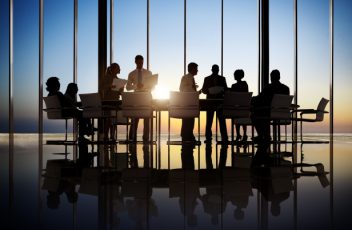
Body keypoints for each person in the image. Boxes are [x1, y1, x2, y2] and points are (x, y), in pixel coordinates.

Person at [46, 77, 90, 141]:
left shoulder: (49, 95)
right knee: (83, 114)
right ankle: (83, 134)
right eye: (58, 83)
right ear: (55, 85)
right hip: (64, 112)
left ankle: (87, 129)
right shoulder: (58, 94)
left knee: (81, 114)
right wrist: (74, 106)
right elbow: (66, 103)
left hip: (57, 112)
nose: (59, 85)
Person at [251, 69, 290, 143]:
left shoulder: (268, 87)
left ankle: (262, 135)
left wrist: (251, 99)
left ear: (271, 77)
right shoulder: (286, 88)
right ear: (279, 77)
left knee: (254, 115)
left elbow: (260, 98)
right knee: (262, 113)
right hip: (283, 113)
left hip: (269, 112)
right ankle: (265, 136)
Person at [126, 55, 153, 142]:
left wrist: (146, 87)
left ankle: (146, 138)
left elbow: (152, 86)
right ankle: (132, 137)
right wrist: (136, 86)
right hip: (136, 97)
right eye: (139, 62)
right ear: (135, 62)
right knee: (134, 118)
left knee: (147, 118)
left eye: (142, 62)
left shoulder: (149, 73)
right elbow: (128, 87)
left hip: (146, 96)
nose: (141, 64)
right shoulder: (131, 74)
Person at [201, 64, 228, 143]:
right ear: (212, 70)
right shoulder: (207, 79)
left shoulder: (222, 79)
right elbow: (204, 90)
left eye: (217, 69)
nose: (216, 70)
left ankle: (224, 138)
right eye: (215, 69)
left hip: (219, 102)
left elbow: (225, 89)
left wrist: (222, 91)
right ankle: (209, 138)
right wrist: (210, 91)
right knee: (209, 121)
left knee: (221, 120)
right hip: (210, 102)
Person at [102, 63, 124, 140]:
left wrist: (121, 90)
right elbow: (102, 87)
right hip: (108, 100)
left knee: (114, 118)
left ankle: (112, 135)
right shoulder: (107, 77)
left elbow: (120, 93)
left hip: (115, 100)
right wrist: (110, 86)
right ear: (113, 69)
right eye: (118, 68)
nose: (119, 69)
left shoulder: (118, 80)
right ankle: (105, 135)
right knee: (108, 118)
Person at [179, 62, 200, 142]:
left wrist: (195, 91)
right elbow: (183, 90)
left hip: (188, 102)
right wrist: (195, 91)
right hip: (187, 103)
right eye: (196, 69)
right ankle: (187, 135)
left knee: (189, 119)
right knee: (189, 118)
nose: (197, 70)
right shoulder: (186, 77)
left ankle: (187, 134)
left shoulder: (188, 78)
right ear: (192, 69)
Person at [230, 69, 249, 142]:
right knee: (243, 117)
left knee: (236, 117)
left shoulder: (234, 86)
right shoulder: (245, 84)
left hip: (236, 106)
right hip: (244, 106)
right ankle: (244, 134)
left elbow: (232, 95)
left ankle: (238, 134)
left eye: (235, 75)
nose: (234, 76)